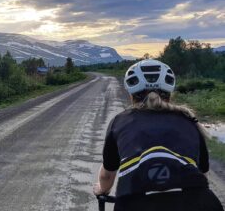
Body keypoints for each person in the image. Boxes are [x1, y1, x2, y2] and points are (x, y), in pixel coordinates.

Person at [93, 59, 223, 211]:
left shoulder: (120, 121)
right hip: (199, 202)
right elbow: (203, 175)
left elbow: (107, 176)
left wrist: (102, 190)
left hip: (134, 203)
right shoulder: (189, 120)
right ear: (169, 93)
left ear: (131, 95)